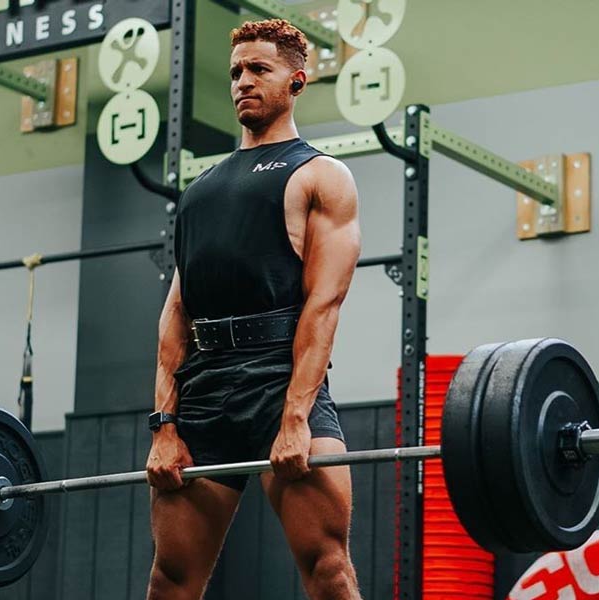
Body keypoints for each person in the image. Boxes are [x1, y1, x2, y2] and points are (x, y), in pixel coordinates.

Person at [144, 17, 363, 600]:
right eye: (237, 71)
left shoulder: (321, 176)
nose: (243, 80)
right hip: (205, 394)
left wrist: (295, 418)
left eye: (259, 69)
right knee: (171, 578)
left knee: (327, 567)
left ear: (296, 80)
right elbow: (175, 316)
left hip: (280, 382)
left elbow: (324, 303)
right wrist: (164, 425)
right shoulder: (199, 190)